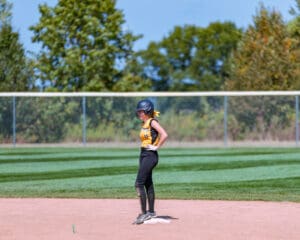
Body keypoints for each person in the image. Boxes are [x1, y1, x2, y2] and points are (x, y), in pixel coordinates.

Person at [133, 99, 168, 225]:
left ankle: (144, 214)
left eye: (141, 111)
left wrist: (156, 147)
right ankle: (151, 211)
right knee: (147, 183)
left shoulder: (152, 122)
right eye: (138, 112)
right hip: (143, 154)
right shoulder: (145, 123)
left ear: (147, 110)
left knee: (138, 183)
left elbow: (164, 134)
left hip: (150, 155)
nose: (139, 114)